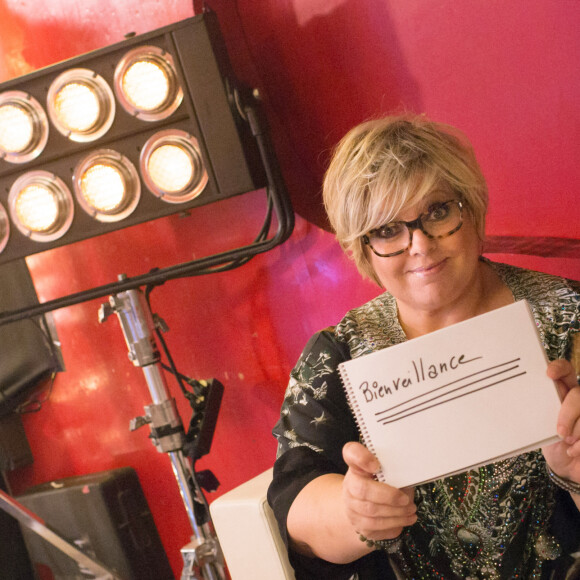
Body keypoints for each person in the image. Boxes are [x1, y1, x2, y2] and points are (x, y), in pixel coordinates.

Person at [268, 114, 580, 579]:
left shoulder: (571, 319)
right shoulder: (339, 355)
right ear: (364, 249)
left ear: (471, 211)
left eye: (437, 212)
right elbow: (294, 508)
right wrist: (353, 512)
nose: (419, 244)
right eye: (387, 230)